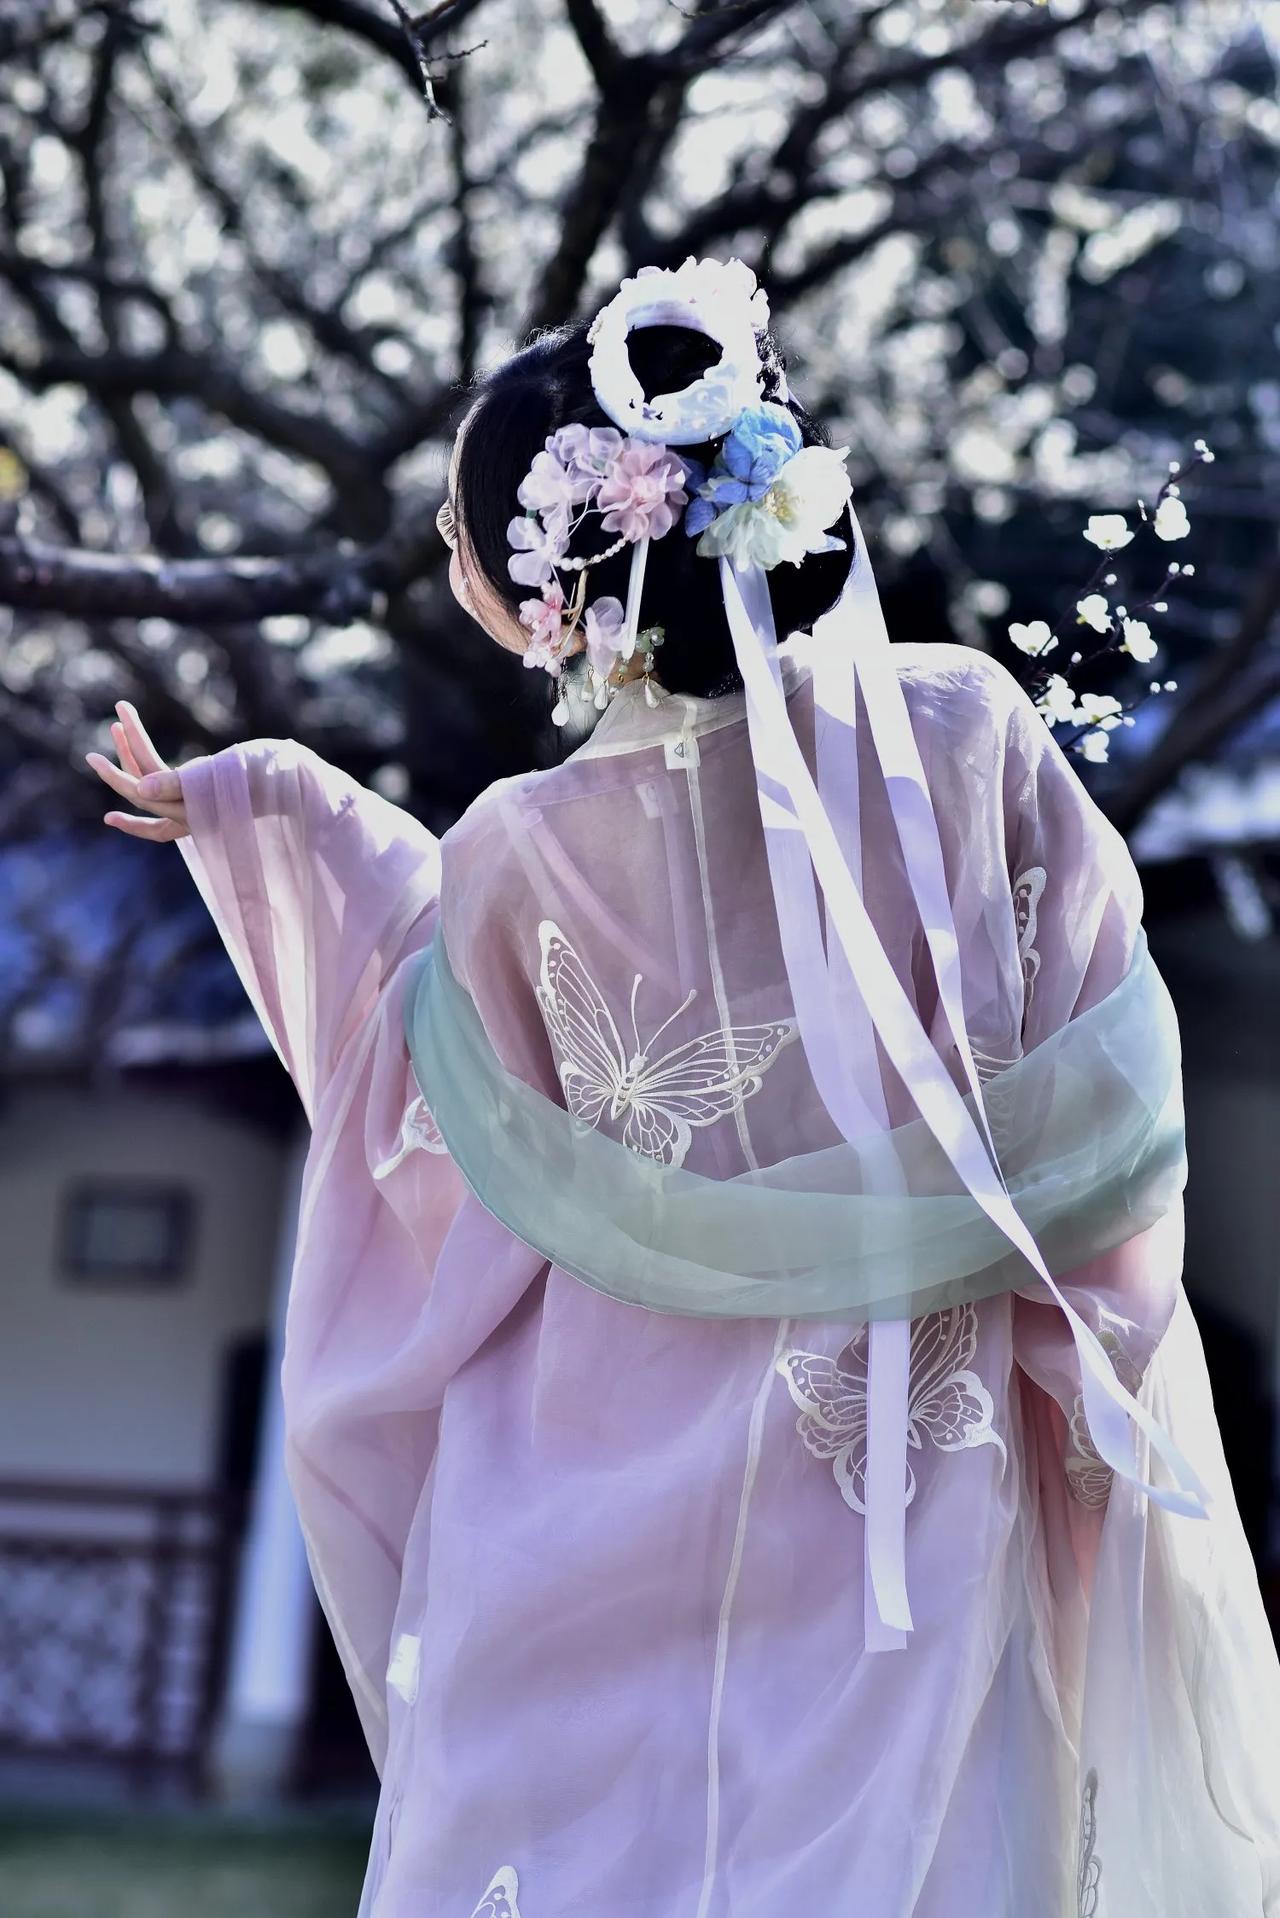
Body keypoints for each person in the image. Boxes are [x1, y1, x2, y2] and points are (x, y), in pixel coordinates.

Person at [88, 258, 1280, 1918]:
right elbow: (1106, 1089)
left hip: (587, 1478)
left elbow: (426, 1087)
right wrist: (1056, 1320)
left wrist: (285, 811)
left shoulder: (519, 847)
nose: (446, 565)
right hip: (905, 1463)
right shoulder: (967, 731)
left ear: (558, 588)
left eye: (461, 540)